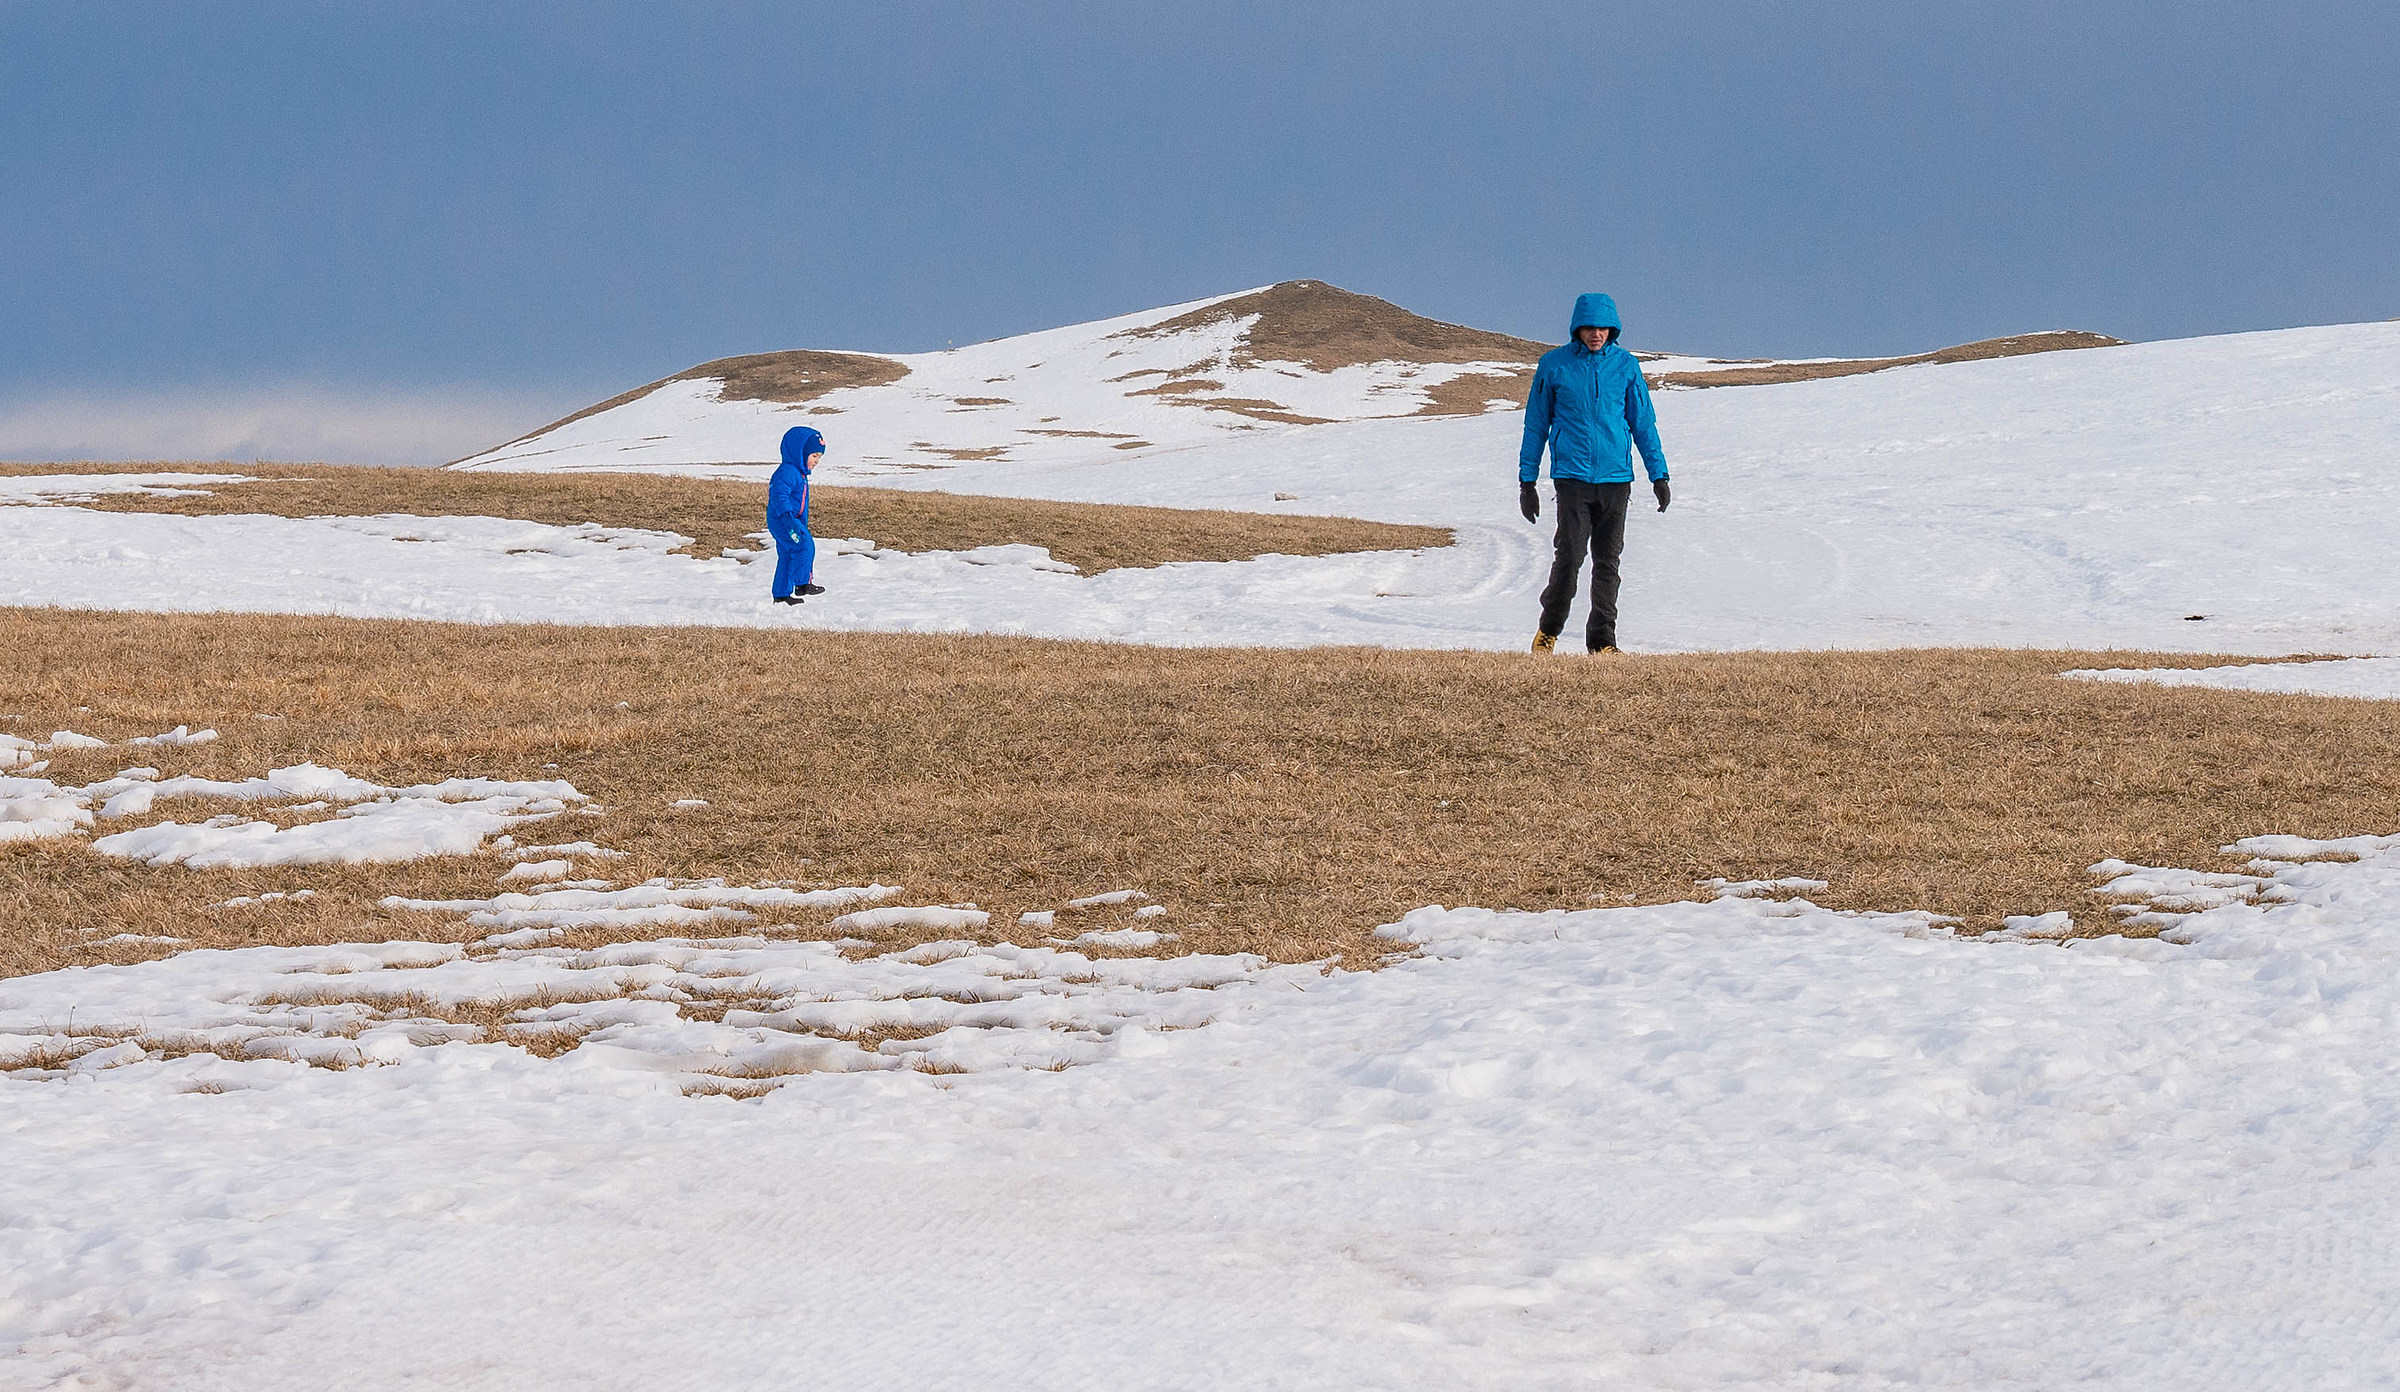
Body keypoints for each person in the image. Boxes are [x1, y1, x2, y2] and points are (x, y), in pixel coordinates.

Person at [1518, 292, 1670, 654]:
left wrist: (1658, 474)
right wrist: (1527, 481)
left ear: (1612, 329)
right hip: (1572, 478)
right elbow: (1535, 425)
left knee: (1608, 561)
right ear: (1577, 328)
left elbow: (1643, 423)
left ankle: (1602, 641)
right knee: (1569, 557)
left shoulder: (1626, 366)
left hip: (1616, 480)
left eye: (1602, 327)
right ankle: (1548, 631)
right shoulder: (1554, 365)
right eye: (1589, 327)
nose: (1596, 334)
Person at [769, 425, 826, 605]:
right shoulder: (787, 472)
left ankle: (781, 594)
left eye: (819, 457)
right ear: (800, 452)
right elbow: (779, 495)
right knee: (804, 545)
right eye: (814, 456)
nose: (817, 461)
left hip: (789, 520)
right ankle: (803, 583)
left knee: (787, 553)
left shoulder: (799, 475)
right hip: (784, 520)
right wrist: (788, 517)